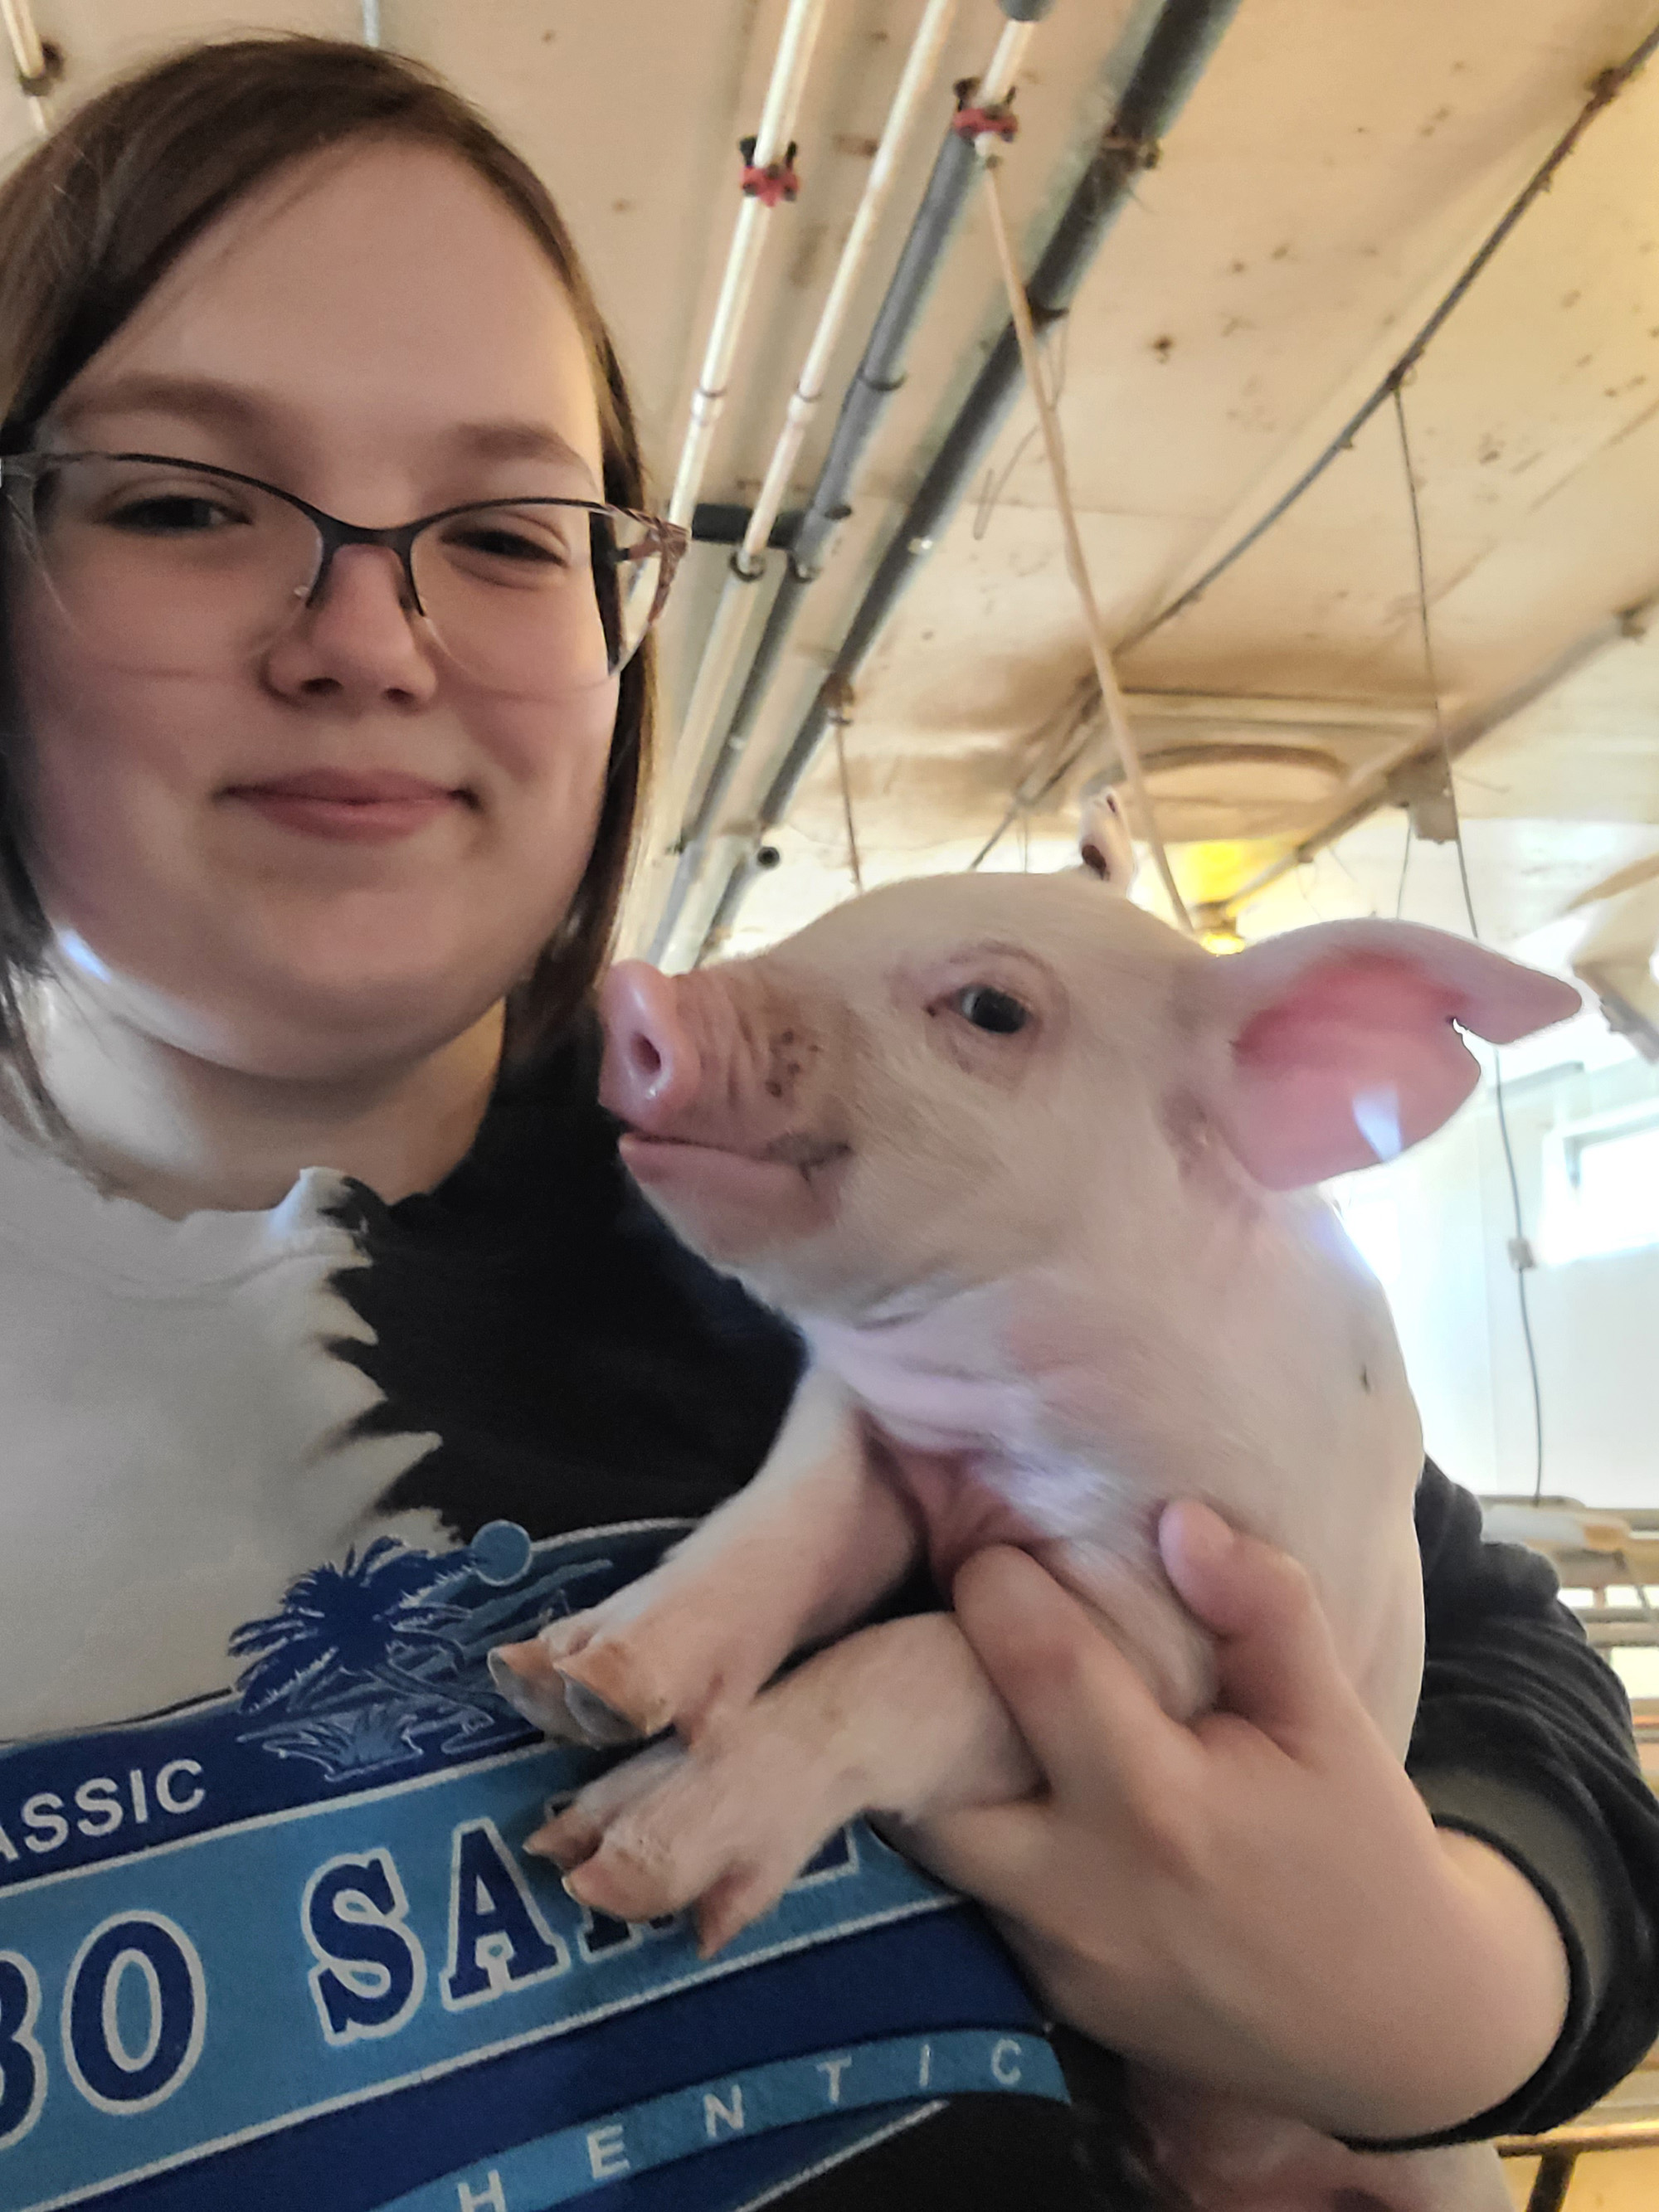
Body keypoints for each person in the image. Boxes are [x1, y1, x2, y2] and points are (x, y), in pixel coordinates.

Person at [0, 32, 1652, 2212]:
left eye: (503, 531)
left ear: (614, 617)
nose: (368, 637)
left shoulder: (900, 1222)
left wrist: (1442, 1984)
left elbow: (1496, 1670)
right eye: (186, 500)